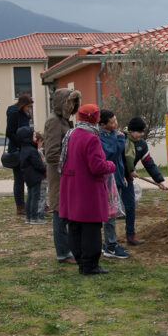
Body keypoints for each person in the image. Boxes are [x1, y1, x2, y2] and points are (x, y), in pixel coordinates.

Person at [59, 104, 115, 275]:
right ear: (95, 118)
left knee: (75, 226)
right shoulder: (91, 138)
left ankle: (81, 260)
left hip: (71, 185)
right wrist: (110, 165)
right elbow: (97, 166)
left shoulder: (71, 134)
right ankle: (90, 265)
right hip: (88, 189)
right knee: (90, 228)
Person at [44, 88, 81, 265]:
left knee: (68, 213)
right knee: (59, 214)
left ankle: (71, 249)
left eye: (75, 102)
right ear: (63, 103)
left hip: (69, 175)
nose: (74, 105)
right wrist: (69, 165)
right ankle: (63, 253)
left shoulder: (66, 121)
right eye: (71, 102)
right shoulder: (53, 122)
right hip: (59, 176)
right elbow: (51, 153)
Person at [121, 116, 166, 246]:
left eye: (142, 132)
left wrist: (159, 180)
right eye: (139, 132)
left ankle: (130, 236)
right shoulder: (120, 140)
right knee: (111, 210)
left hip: (128, 180)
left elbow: (149, 163)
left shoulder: (141, 144)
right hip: (114, 178)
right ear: (131, 130)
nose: (141, 134)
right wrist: (125, 172)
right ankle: (109, 243)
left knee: (130, 207)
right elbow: (115, 160)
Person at [98, 109, 129, 259]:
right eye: (112, 122)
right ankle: (110, 246)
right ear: (103, 124)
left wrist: (122, 176)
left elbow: (119, 160)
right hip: (107, 181)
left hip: (117, 177)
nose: (116, 124)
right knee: (110, 214)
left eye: (116, 120)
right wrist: (120, 139)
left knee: (113, 213)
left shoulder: (113, 135)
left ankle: (111, 243)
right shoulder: (100, 137)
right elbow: (110, 153)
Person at [5, 93, 34, 215]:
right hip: (17, 150)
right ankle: (20, 206)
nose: (29, 109)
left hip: (25, 148)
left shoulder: (24, 114)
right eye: (28, 106)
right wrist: (20, 143)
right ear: (22, 105)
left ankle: (31, 203)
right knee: (19, 179)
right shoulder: (14, 114)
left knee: (28, 176)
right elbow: (9, 132)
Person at [18, 126, 47, 225]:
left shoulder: (23, 148)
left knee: (30, 196)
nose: (34, 138)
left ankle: (29, 217)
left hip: (28, 177)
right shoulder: (31, 150)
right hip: (35, 177)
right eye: (33, 135)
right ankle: (34, 217)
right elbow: (37, 164)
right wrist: (45, 169)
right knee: (35, 197)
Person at [35, 132, 49, 220]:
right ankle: (39, 213)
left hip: (38, 177)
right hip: (41, 177)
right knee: (41, 195)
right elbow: (43, 163)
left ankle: (41, 209)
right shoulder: (39, 152)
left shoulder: (36, 151)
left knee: (39, 195)